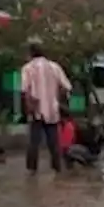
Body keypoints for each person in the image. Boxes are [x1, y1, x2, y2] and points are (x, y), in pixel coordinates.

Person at [20, 43, 72, 174]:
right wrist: (56, 98)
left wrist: (28, 106)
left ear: (31, 54)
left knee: (34, 141)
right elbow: (66, 87)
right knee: (53, 141)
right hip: (52, 109)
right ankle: (57, 168)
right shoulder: (54, 67)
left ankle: (32, 171)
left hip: (36, 109)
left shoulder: (27, 68)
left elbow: (25, 90)